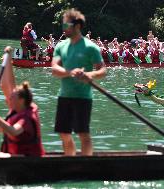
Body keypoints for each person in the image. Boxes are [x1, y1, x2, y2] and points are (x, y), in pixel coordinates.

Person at [51, 9, 106, 156]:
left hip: (83, 97)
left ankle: (87, 165)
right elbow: (55, 68)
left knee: (83, 133)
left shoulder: (90, 47)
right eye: (63, 26)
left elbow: (102, 71)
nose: (64, 29)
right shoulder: (61, 46)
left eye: (66, 25)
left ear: (77, 26)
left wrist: (89, 74)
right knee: (63, 133)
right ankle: (71, 161)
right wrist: (70, 72)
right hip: (64, 95)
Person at [0, 46, 45, 157]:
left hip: (27, 161)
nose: (9, 98)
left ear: (21, 100)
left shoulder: (26, 117)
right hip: (16, 157)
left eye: (12, 97)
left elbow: (13, 131)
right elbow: (1, 129)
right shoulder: (17, 109)